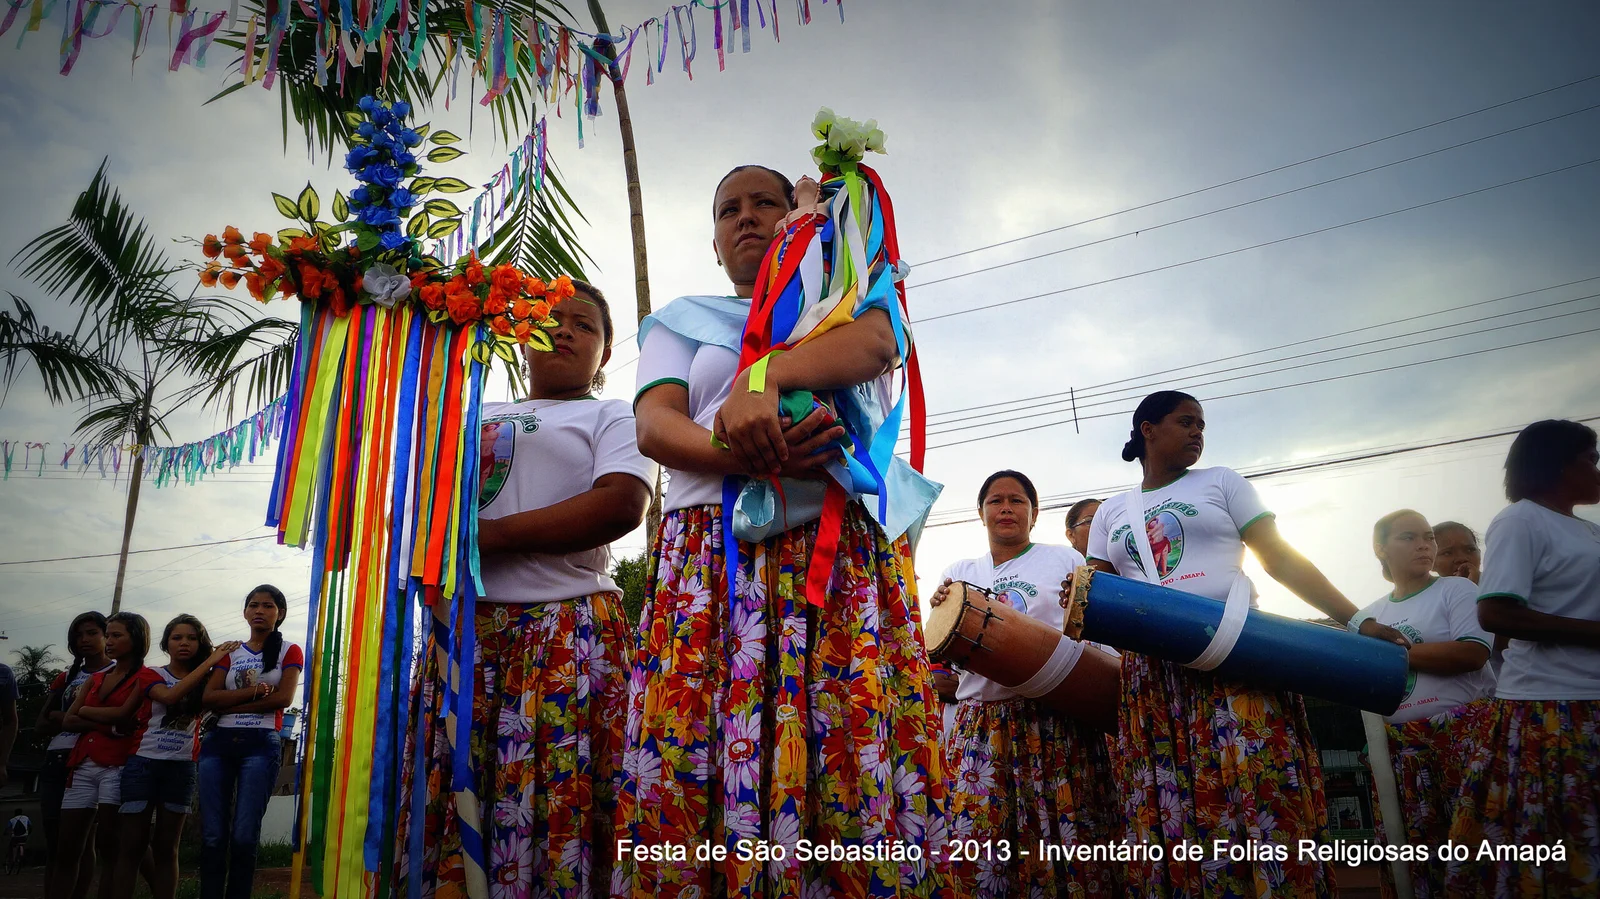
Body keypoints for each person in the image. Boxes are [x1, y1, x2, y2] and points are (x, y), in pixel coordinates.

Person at [616, 165, 950, 898]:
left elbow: (874, 348)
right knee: (700, 752)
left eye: (765, 202)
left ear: (801, 217)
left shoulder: (844, 304)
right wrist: (743, 449)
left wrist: (760, 376)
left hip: (836, 568)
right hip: (715, 566)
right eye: (728, 209)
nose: (746, 217)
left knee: (844, 750)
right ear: (712, 240)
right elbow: (654, 424)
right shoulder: (680, 318)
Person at [1076, 390, 1407, 898]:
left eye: (1202, 425)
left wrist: (1357, 619)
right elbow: (1098, 595)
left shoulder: (1223, 482)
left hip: (1238, 656)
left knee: (1261, 785)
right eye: (1186, 422)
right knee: (1176, 802)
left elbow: (1278, 558)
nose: (1198, 433)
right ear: (1148, 429)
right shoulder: (1111, 513)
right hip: (1155, 680)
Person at [395, 279, 653, 899]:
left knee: (562, 798)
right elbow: (419, 511)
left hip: (567, 637)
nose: (564, 330)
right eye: (551, 319)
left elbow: (620, 503)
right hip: (465, 641)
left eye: (584, 325)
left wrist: (488, 537)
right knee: (464, 803)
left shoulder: (612, 413)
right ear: (518, 335)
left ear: (606, 352)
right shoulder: (466, 413)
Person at [931, 469, 1120, 897]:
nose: (1006, 509)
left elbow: (1091, 631)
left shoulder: (1063, 560)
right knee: (978, 842)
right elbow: (943, 644)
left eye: (1017, 501)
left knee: (1064, 841)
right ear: (981, 514)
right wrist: (941, 610)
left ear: (1034, 514)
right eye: (996, 501)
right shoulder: (959, 571)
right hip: (981, 725)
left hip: (1054, 718)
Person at [1449, 419, 1600, 896]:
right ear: (1557, 465)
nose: (1598, 470)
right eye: (1590, 459)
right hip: (1553, 708)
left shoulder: (1589, 531)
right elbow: (1495, 612)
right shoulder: (1521, 520)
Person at [1356, 510, 1494, 899]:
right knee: (1418, 864)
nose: (1424, 545)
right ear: (1380, 548)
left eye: (1428, 537)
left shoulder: (1456, 591)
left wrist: (1394, 654)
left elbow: (1472, 653)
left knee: (1479, 854)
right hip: (1401, 752)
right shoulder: (1371, 615)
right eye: (1409, 537)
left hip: (1464, 741)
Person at [106, 617, 239, 899]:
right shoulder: (151, 674)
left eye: (191, 638)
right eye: (177, 638)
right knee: (132, 847)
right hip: (142, 763)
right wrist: (211, 661)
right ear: (166, 643)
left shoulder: (209, 681)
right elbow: (169, 697)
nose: (184, 643)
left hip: (181, 767)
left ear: (199, 643)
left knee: (168, 848)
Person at [200, 586, 302, 899]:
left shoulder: (289, 651)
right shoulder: (229, 652)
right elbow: (207, 697)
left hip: (261, 743)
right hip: (217, 743)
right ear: (245, 612)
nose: (260, 610)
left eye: (268, 606)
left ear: (280, 613)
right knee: (213, 836)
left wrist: (227, 704)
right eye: (253, 605)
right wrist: (255, 693)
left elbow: (284, 698)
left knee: (244, 836)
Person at [48, 611, 150, 899]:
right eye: (110, 634)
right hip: (81, 764)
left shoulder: (146, 677)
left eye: (117, 635)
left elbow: (126, 717)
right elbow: (69, 719)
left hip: (117, 766)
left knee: (110, 847)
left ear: (137, 638)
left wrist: (88, 714)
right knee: (66, 848)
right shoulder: (95, 678)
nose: (110, 641)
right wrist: (107, 724)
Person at [36, 612, 111, 899]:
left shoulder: (117, 674)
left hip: (91, 759)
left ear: (106, 635)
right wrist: (74, 717)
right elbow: (42, 723)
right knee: (56, 843)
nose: (85, 640)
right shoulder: (67, 676)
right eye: (79, 635)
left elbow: (119, 722)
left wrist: (69, 717)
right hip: (56, 758)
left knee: (84, 842)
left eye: (92, 633)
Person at [7, 808, 28, 875]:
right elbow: (30, 826)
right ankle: (21, 856)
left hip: (15, 837)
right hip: (24, 836)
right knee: (22, 843)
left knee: (12, 846)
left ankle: (12, 859)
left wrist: (5, 833)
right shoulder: (26, 818)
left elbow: (7, 828)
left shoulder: (12, 820)